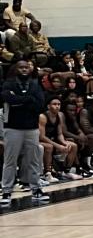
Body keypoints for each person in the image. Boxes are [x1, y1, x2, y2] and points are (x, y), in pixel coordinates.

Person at [1, 59, 50, 209]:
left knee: (33, 160)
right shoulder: (8, 84)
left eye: (26, 67)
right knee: (10, 161)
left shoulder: (35, 85)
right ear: (16, 69)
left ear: (30, 69)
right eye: (20, 67)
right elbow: (8, 98)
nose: (23, 69)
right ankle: (6, 191)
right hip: (13, 128)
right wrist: (28, 100)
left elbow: (40, 104)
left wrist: (20, 101)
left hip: (31, 128)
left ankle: (36, 189)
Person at [40, 97, 80, 181]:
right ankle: (47, 173)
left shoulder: (59, 116)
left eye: (59, 104)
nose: (57, 106)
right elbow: (42, 136)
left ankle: (66, 171)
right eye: (54, 104)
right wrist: (58, 146)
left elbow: (59, 134)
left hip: (53, 139)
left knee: (73, 145)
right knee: (49, 146)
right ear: (48, 106)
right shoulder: (43, 117)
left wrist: (64, 142)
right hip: (41, 141)